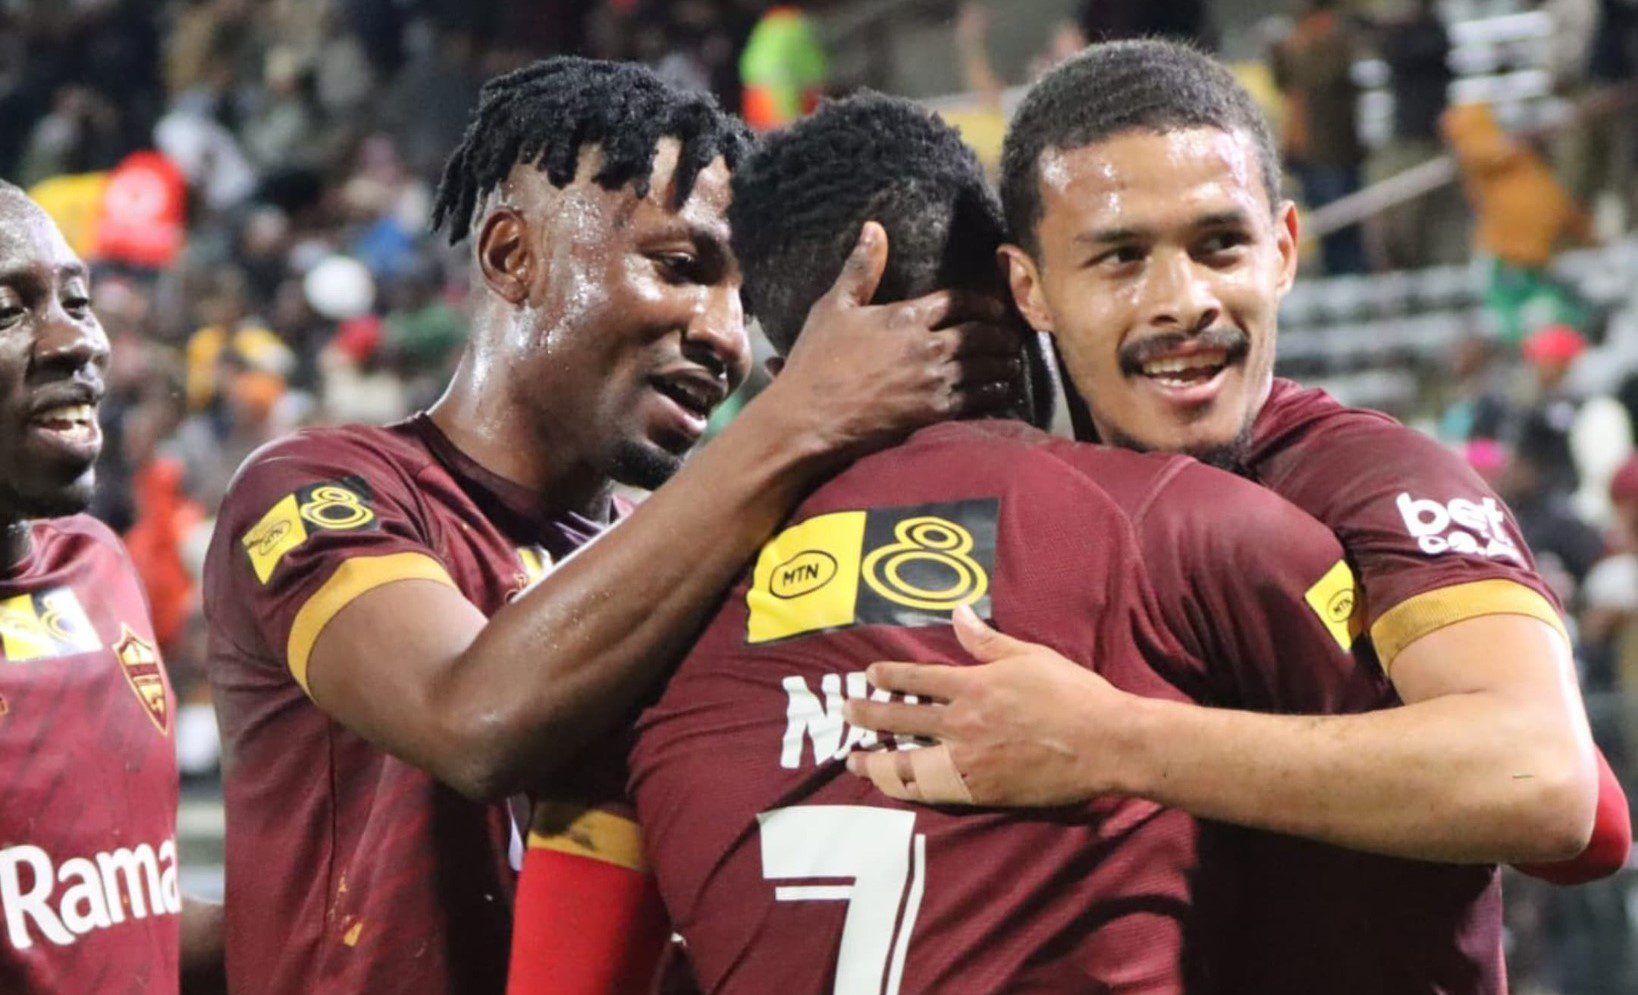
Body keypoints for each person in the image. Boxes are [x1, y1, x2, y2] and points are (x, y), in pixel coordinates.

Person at [203, 58, 1017, 995]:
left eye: (745, 304)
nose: (726, 335)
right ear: (512, 255)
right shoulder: (322, 488)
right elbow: (472, 718)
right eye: (681, 268)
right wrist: (797, 421)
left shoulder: (684, 550)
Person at [847, 40, 1628, 990]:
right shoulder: (982, 505)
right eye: (1121, 258)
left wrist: (1111, 740)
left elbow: (1551, 786)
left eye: (1220, 244)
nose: (1185, 301)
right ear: (1030, 289)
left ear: (1285, 250)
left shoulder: (1368, 477)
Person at [626, 92, 1387, 994]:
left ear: (785, 361)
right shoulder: (1199, 527)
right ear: (1022, 294)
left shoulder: (657, 635)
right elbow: (1450, 818)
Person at [0, 184, 223, 992]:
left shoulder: (95, 565)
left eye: (76, 299)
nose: (76, 341)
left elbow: (123, 923)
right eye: (7, 311)